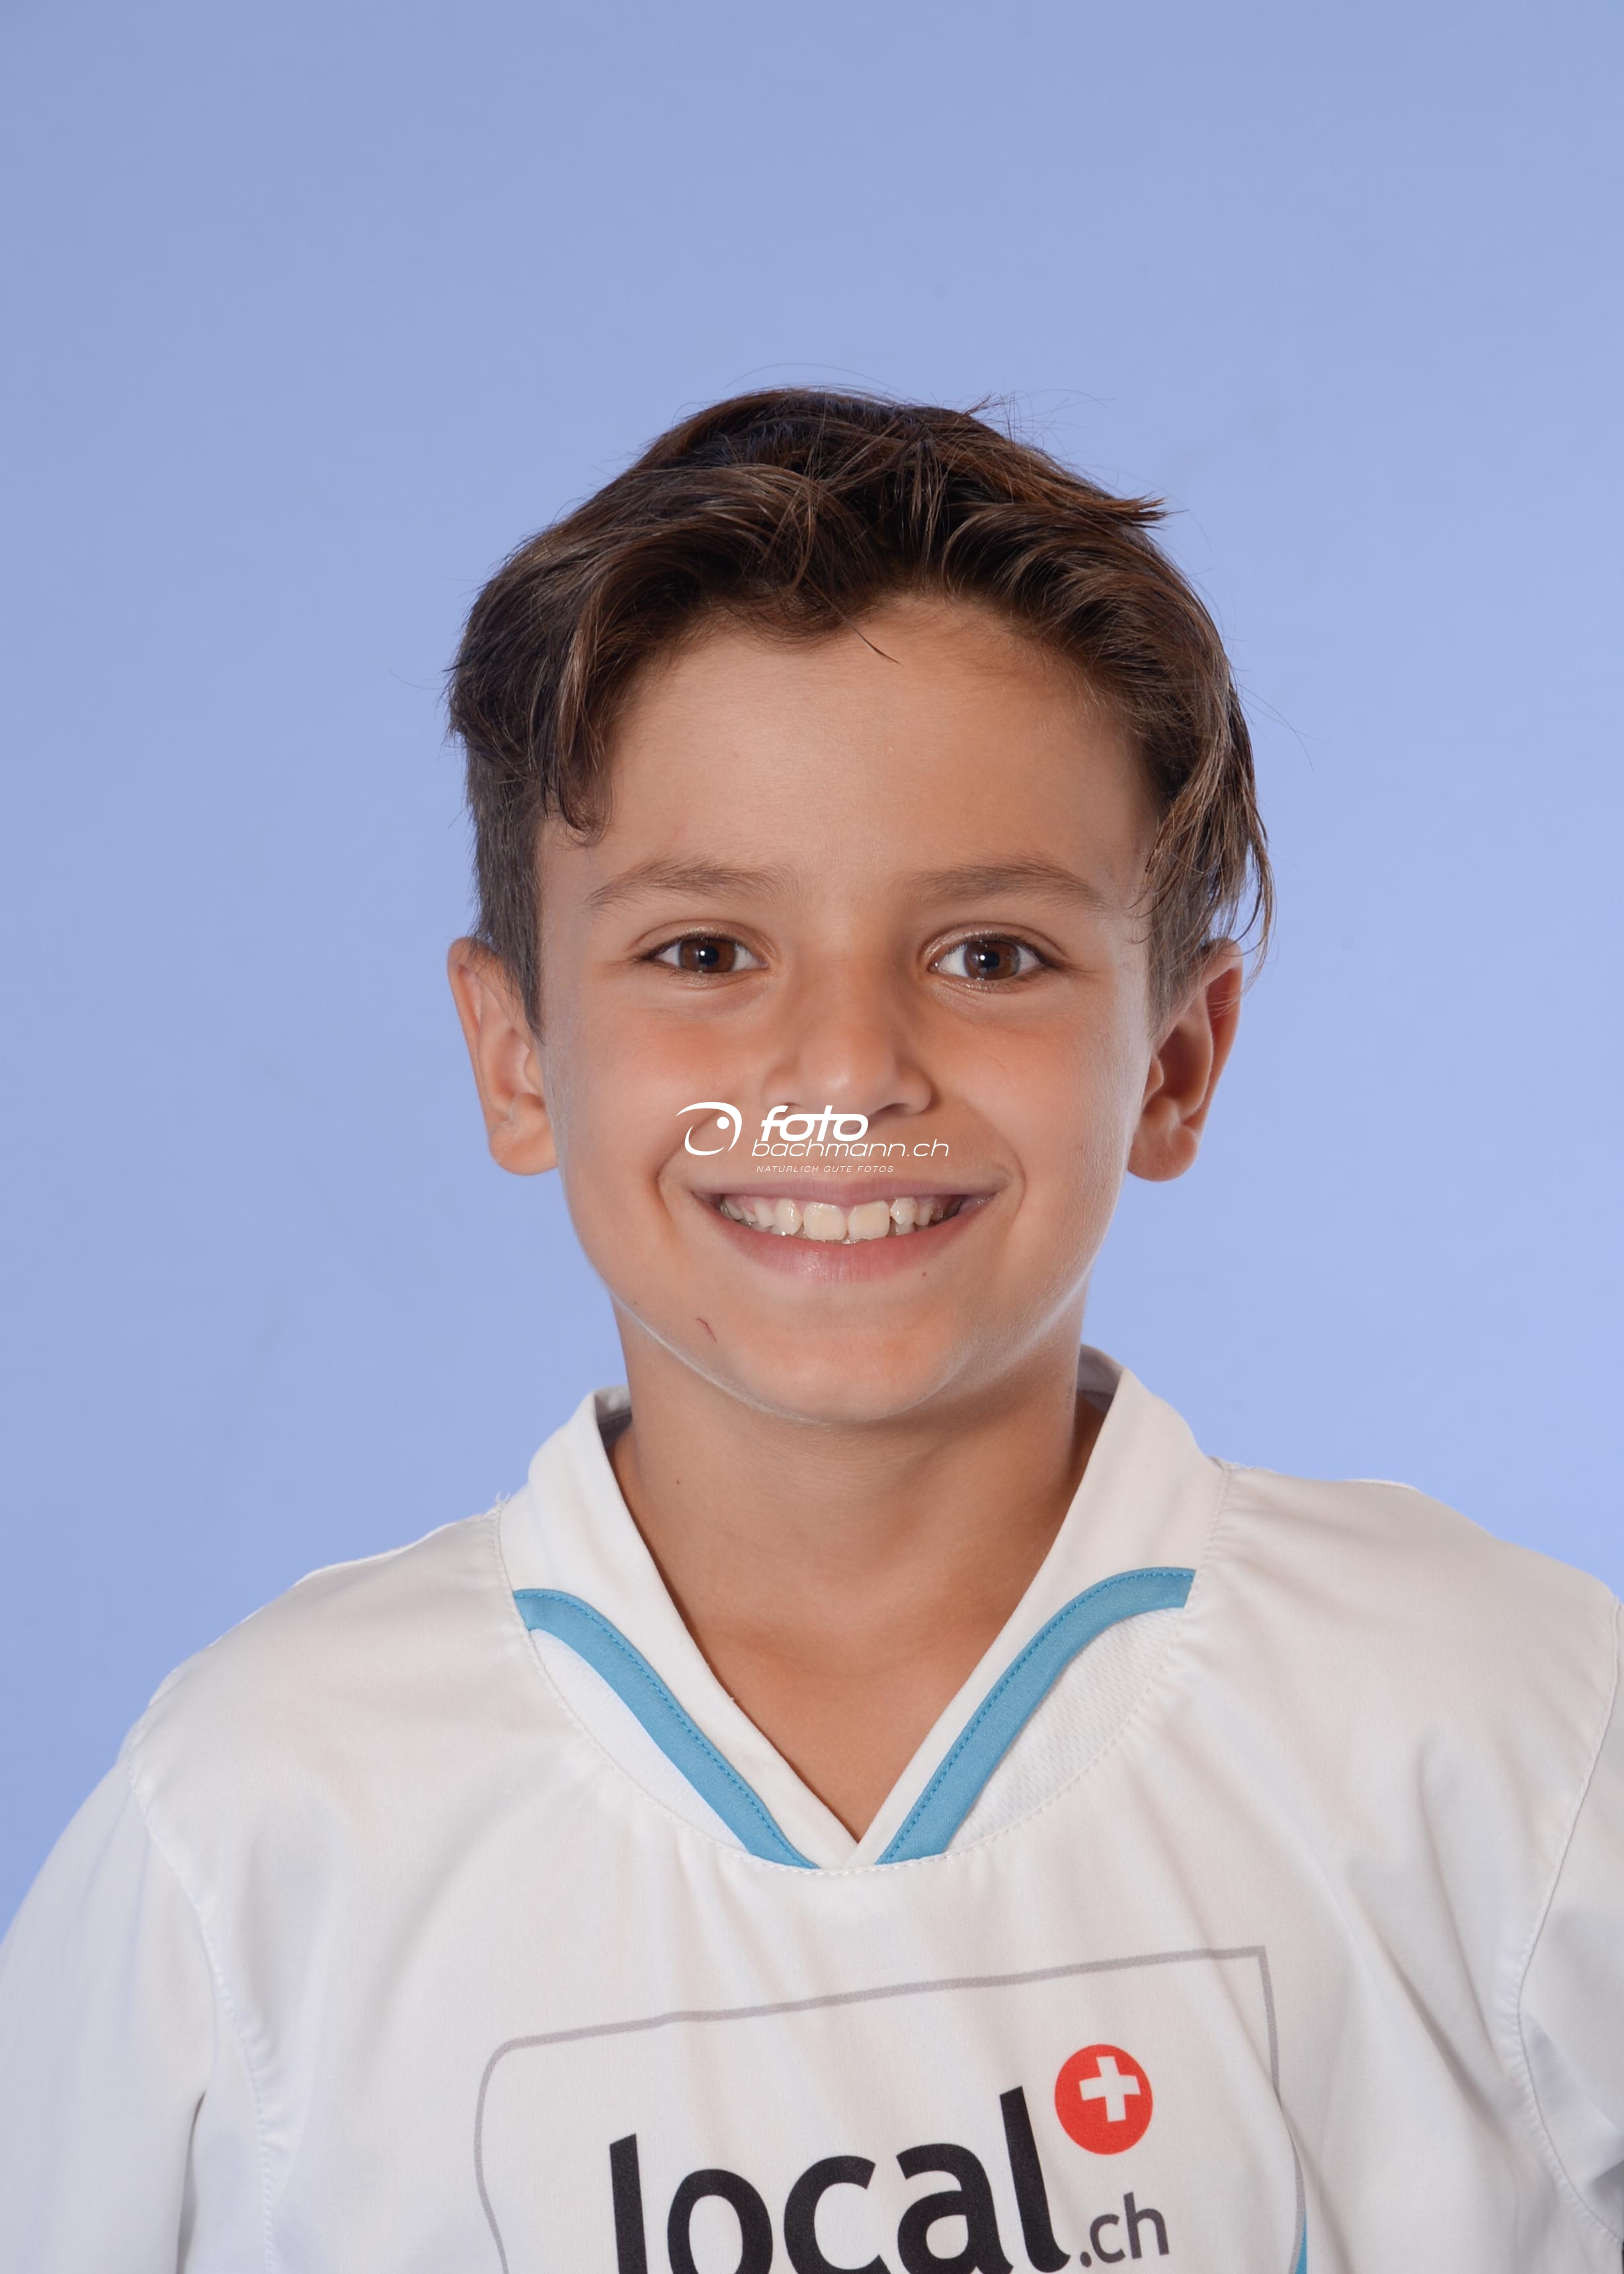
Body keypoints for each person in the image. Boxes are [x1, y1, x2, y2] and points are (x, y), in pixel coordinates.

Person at [1, 390, 1618, 2273]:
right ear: (516, 1056)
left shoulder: (1517, 1736)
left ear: (1177, 1061)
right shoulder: (259, 1825)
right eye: (703, 954)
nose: (844, 1076)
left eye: (990, 955)